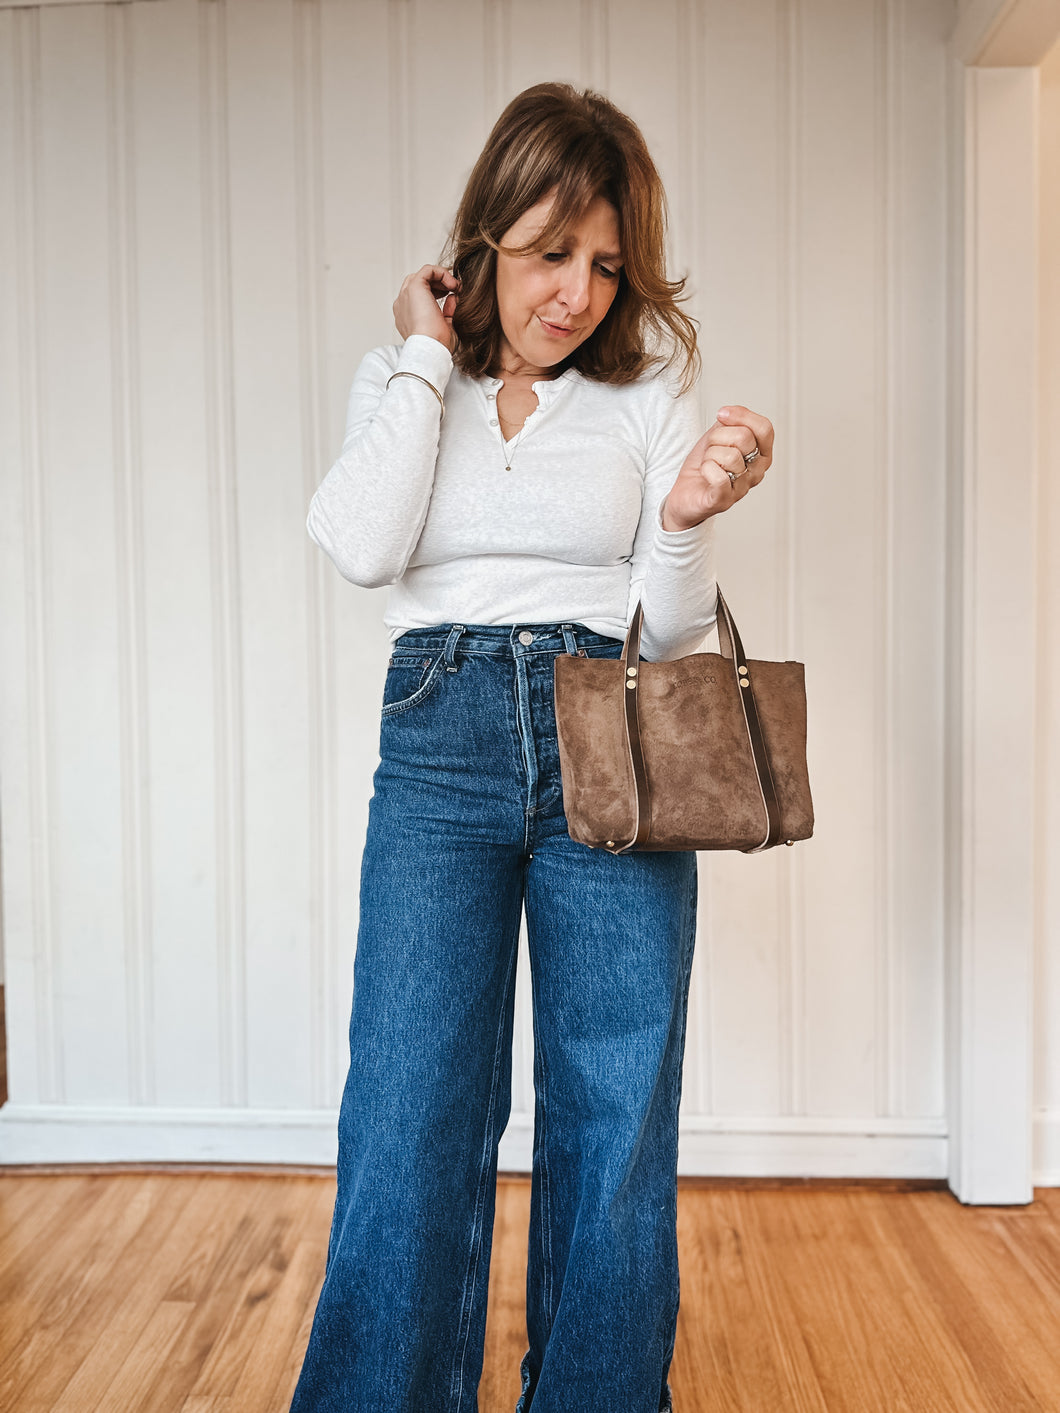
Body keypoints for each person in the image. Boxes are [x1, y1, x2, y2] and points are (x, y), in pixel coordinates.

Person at [289, 80, 772, 1413]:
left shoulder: (650, 387)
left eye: (607, 265)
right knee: (407, 1113)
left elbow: (671, 634)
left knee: (613, 1114)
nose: (578, 292)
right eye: (554, 252)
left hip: (609, 731)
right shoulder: (404, 385)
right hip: (438, 743)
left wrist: (682, 516)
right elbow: (362, 544)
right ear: (488, 234)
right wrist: (425, 356)